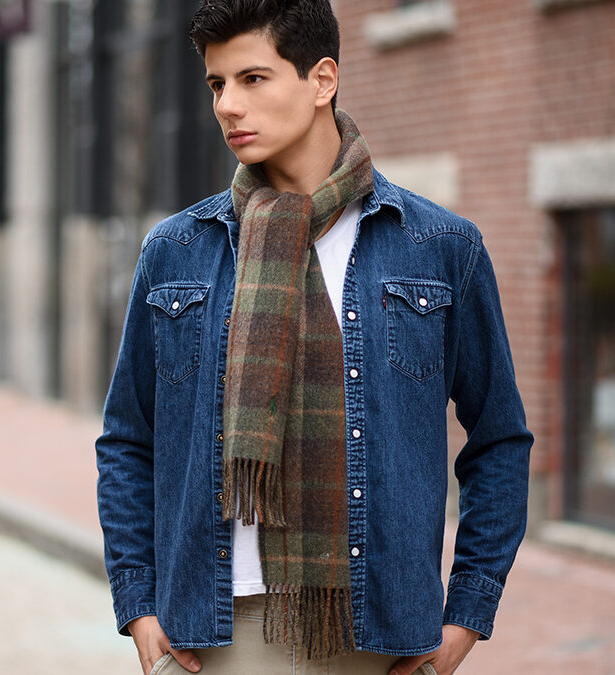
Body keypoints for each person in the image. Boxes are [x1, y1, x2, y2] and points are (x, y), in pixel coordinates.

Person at [95, 1, 533, 673]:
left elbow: (499, 439)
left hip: (380, 634)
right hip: (216, 633)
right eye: (217, 84)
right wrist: (139, 606)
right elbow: (128, 439)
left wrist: (465, 619)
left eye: (253, 79)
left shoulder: (440, 248)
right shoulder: (177, 251)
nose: (228, 106)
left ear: (322, 79)